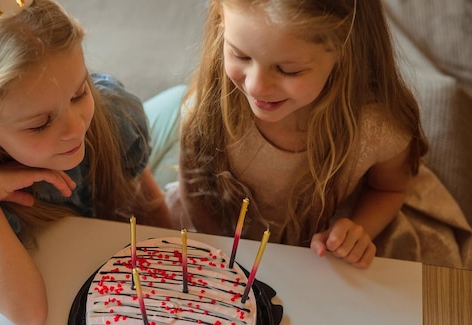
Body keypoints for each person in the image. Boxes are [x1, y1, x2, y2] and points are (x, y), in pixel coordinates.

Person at [149, 0, 472, 269]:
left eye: (289, 70)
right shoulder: (207, 107)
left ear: (345, 49)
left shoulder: (378, 127)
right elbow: (197, 189)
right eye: (240, 55)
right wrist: (225, 250)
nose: (256, 86)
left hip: (329, 257)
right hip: (226, 242)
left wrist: (358, 228)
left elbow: (389, 189)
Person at [0, 0, 171, 325]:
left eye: (79, 93)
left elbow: (158, 219)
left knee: (181, 100)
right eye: (39, 123)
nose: (75, 129)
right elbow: (29, 313)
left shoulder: (111, 116)